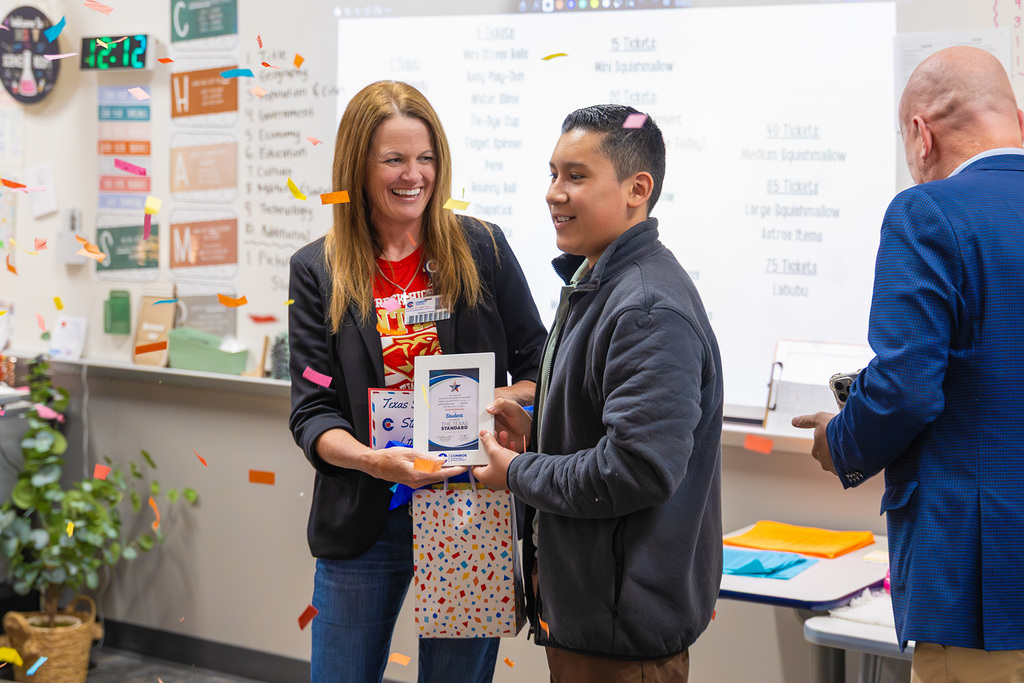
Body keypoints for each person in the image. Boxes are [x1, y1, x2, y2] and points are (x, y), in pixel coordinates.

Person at [288, 80, 547, 683]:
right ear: (359, 165)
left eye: (426, 158)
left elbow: (541, 362)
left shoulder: (481, 247)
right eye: (395, 159)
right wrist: (374, 461)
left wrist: (493, 399)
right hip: (364, 514)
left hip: (467, 508)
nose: (414, 175)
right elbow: (312, 410)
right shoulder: (317, 271)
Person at [793, 46, 1024, 681]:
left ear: (921, 135)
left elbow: (905, 390)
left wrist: (840, 441)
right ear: (1020, 120)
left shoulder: (928, 214)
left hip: (979, 584)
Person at [474, 104, 723, 682]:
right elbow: (613, 436)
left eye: (577, 176)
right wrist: (540, 438)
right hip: (596, 618)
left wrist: (517, 471)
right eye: (553, 174)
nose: (554, 194)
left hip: (620, 633)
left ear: (638, 189)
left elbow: (634, 470)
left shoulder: (644, 309)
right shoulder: (598, 282)